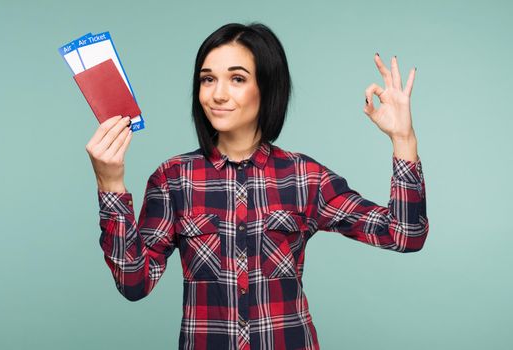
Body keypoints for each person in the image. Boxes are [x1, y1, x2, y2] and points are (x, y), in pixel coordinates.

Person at [85, 22, 428, 350]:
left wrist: (403, 139)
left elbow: (405, 235)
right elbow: (133, 283)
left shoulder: (304, 177)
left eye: (237, 78)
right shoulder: (173, 178)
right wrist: (110, 184)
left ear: (267, 87)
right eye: (208, 80)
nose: (218, 94)